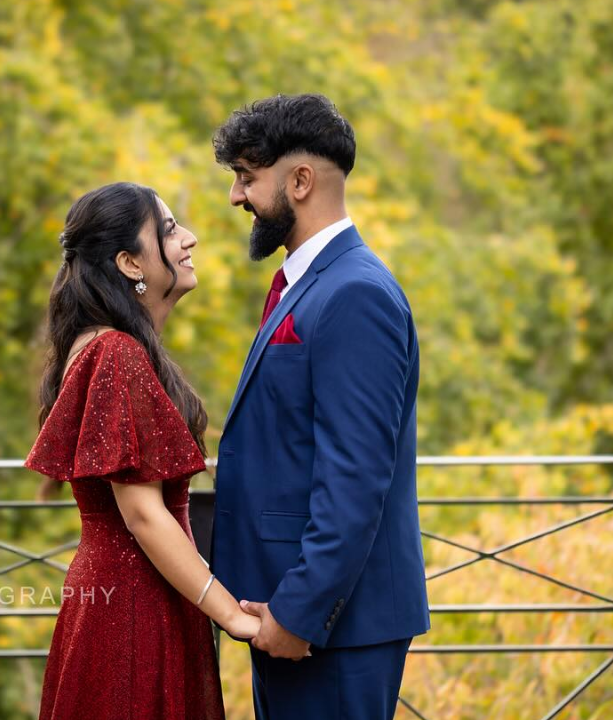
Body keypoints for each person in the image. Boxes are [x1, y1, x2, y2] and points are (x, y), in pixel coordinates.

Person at [210, 94, 431, 720]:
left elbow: (356, 479)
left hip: (333, 627)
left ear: (300, 180)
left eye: (247, 178)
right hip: (289, 614)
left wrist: (299, 612)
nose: (236, 197)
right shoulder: (306, 285)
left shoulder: (355, 293)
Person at [24, 182, 259, 720]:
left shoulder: (100, 345)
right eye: (171, 230)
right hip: (131, 607)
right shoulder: (116, 354)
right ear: (130, 262)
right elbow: (143, 514)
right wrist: (234, 616)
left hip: (123, 598)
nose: (190, 239)